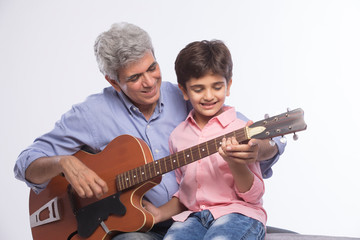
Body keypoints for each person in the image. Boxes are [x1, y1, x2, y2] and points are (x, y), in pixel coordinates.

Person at [13, 22, 285, 240]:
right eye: (133, 78)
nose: (149, 82)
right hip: (136, 226)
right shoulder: (90, 114)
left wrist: (261, 149)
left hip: (195, 218)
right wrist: (64, 162)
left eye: (152, 68)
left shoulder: (189, 93)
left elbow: (253, 136)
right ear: (114, 81)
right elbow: (25, 163)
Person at [143, 40, 268, 239]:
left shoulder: (240, 129)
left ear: (228, 86)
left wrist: (236, 164)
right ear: (184, 91)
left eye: (217, 87)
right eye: (198, 89)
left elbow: (254, 196)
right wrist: (159, 213)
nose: (209, 96)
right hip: (193, 218)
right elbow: (185, 193)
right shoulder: (178, 136)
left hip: (238, 214)